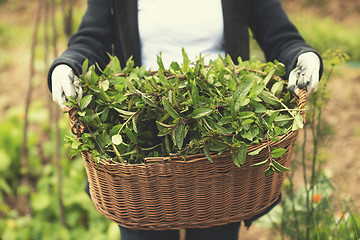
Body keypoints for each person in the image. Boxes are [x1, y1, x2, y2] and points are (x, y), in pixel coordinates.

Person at [48, 0, 323, 239]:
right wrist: (66, 65)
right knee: (143, 231)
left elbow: (278, 33)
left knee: (217, 231)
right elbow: (92, 37)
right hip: (143, 129)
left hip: (223, 132)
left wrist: (302, 55)